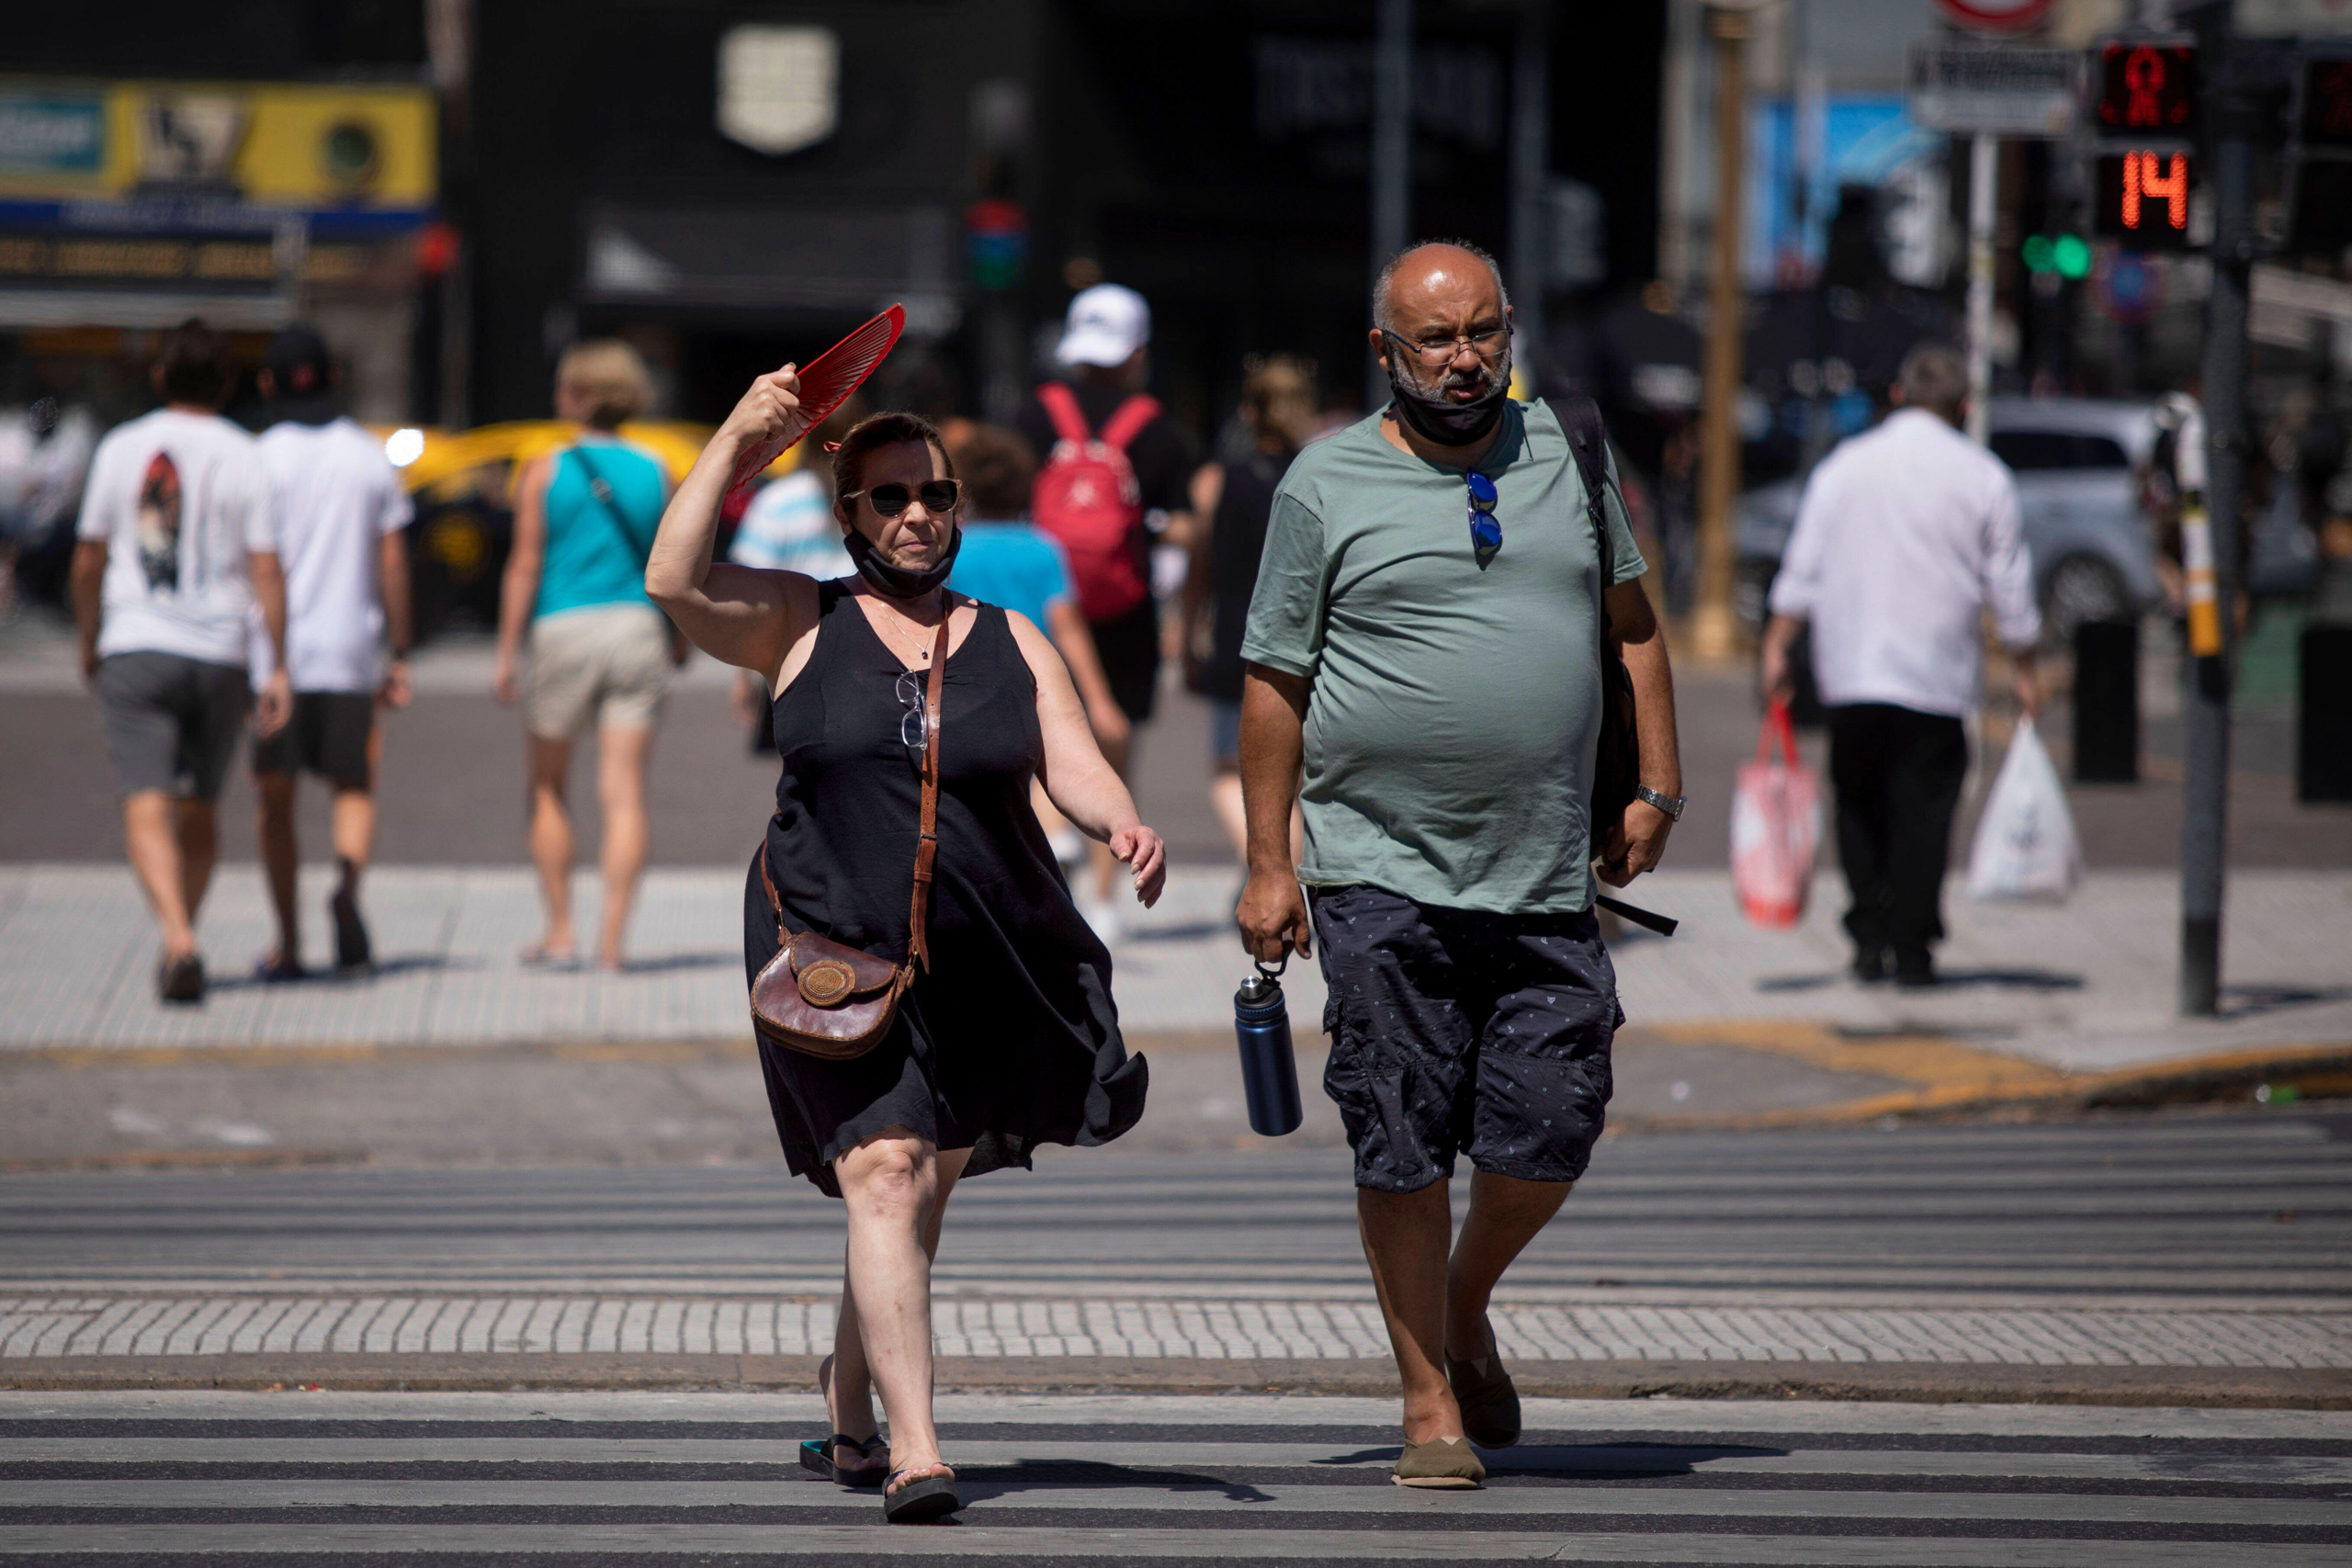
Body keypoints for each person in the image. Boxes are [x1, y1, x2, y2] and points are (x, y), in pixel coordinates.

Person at [646, 374, 1165, 1524]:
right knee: (882, 1170)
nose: (916, 514)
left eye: (933, 493)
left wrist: (1117, 819)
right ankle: (918, 1450)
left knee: (910, 1193)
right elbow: (671, 578)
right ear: (851, 518)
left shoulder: (1010, 638)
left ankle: (846, 1407)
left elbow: (1068, 755)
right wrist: (738, 436)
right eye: (888, 499)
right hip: (829, 942)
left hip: (981, 944)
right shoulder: (799, 619)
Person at [1236, 243, 1684, 1490]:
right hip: (1375, 866)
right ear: (1385, 352)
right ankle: (1426, 1393)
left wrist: (1658, 784)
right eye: (1434, 339)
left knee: (1550, 1130)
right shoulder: (1323, 484)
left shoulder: (1574, 456)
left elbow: (1635, 632)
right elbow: (1274, 683)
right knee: (1401, 1138)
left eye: (1481, 331)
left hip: (1546, 866)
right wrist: (1269, 865)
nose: (1462, 357)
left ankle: (1463, 1299)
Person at [1761, 342, 2040, 989]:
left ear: (1896, 396)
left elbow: (1801, 568)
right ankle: (1913, 946)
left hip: (1852, 671)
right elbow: (2011, 587)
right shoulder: (1984, 475)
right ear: (1965, 407)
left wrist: (1777, 646)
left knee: (1858, 803)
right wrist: (2026, 662)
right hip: (1937, 678)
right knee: (1925, 813)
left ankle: (1867, 932)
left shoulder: (1844, 468)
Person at [68, 321, 292, 1004]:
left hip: (137, 639)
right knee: (200, 807)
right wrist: (275, 663)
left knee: (145, 800)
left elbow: (89, 555)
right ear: (228, 383)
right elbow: (265, 566)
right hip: (220, 648)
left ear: (160, 377)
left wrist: (89, 635)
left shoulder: (121, 446)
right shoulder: (245, 453)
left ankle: (178, 938)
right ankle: (182, 931)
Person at [1014, 282, 1194, 938]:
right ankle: (1104, 896)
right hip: (1123, 609)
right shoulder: (1157, 428)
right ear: (1138, 350)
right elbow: (1183, 526)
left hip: (1040, 602)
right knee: (1113, 751)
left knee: (1036, 740)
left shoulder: (1031, 416)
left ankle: (1049, 841)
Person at [492, 340, 680, 971]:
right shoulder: (659, 468)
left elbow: (524, 564)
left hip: (563, 628)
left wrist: (505, 650)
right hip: (637, 629)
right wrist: (679, 637)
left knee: (548, 785)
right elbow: (674, 566)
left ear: (576, 394)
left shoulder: (544, 469)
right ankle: (612, 945)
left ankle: (562, 929)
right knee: (624, 792)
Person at [248, 326, 414, 979]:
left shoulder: (256, 456)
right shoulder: (367, 455)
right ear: (332, 375)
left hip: (274, 656)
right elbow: (393, 561)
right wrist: (398, 649)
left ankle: (288, 942)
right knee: (353, 784)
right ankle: (346, 887)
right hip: (349, 646)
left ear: (268, 383)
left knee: (275, 797)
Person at [945, 421, 1129, 863]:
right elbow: (1067, 625)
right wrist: (1101, 699)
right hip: (1030, 674)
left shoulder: (953, 548)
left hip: (963, 678)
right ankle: (1053, 830)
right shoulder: (1044, 548)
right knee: (1043, 752)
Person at [1182, 355, 1319, 861]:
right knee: (1296, 768)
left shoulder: (1222, 481)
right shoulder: (1320, 475)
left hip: (1238, 634)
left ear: (1249, 411)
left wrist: (1187, 627)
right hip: (1309, 635)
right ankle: (1284, 861)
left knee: (1226, 768)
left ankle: (1269, 862)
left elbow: (1202, 564)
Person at [726, 396, 865, 752]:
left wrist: (745, 673)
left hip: (793, 650)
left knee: (795, 773)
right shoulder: (872, 498)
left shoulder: (778, 500)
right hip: (865, 643)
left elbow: (751, 594)